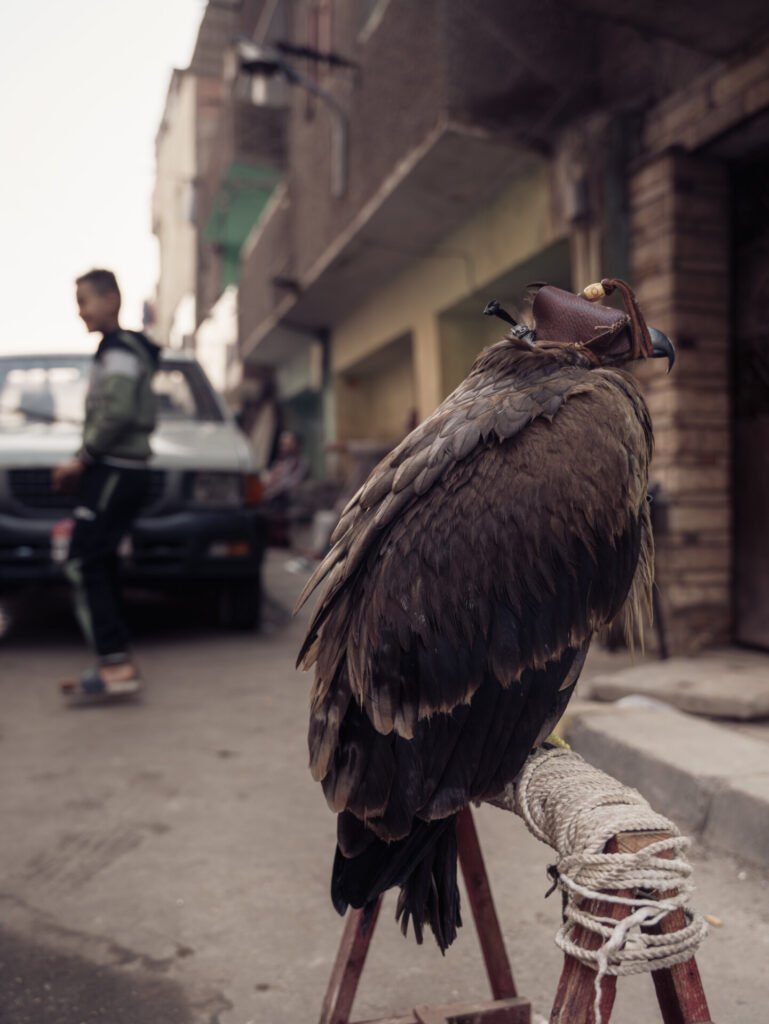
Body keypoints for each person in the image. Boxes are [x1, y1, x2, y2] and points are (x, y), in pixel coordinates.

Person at [53, 269, 160, 698]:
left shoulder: (119, 350)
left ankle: (115, 664)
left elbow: (114, 413)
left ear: (111, 300)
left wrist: (82, 460)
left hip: (115, 467)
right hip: (118, 467)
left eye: (85, 301)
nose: (80, 312)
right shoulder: (122, 349)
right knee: (102, 559)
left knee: (84, 559)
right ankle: (115, 660)